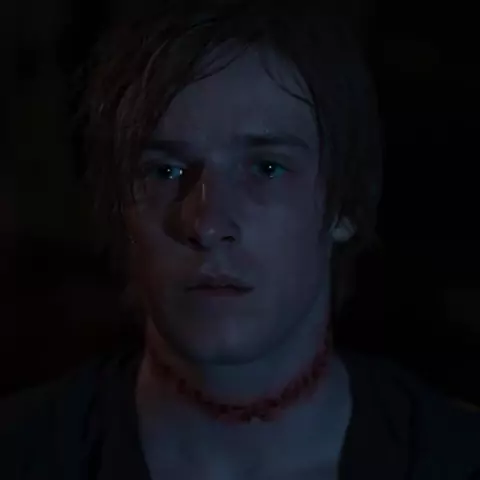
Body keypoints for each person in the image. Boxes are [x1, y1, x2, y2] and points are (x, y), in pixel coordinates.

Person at [2, 1, 479, 479]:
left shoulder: (453, 457)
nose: (207, 224)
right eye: (165, 171)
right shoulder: (25, 453)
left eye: (266, 168)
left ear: (345, 204)